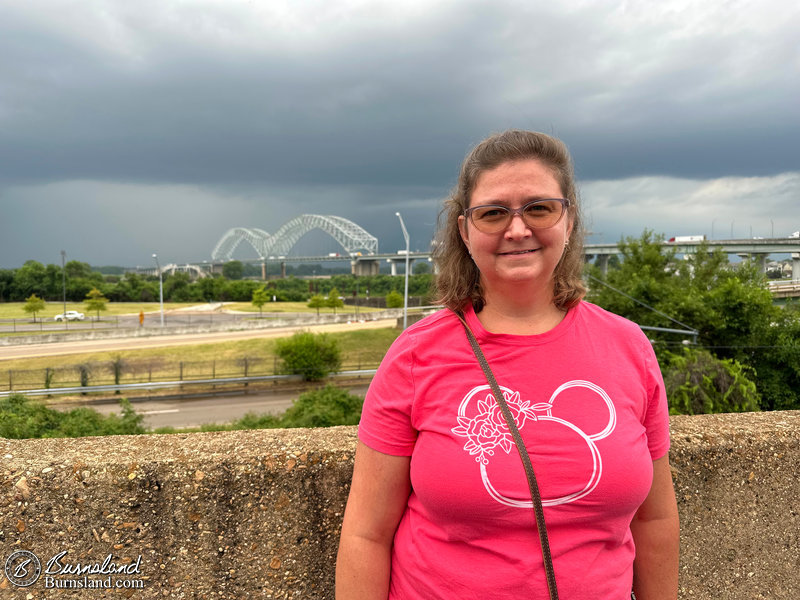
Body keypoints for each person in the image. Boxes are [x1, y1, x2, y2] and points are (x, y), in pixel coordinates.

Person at [336, 130, 679, 599]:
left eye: (539, 208)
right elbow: (365, 534)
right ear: (464, 231)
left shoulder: (629, 347)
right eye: (493, 213)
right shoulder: (416, 354)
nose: (517, 230)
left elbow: (654, 519)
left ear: (569, 220)